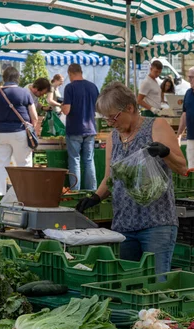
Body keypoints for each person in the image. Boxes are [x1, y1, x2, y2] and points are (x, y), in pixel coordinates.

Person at [75, 82, 187, 275]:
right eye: (107, 119)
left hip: (156, 223)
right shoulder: (113, 137)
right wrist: (95, 197)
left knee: (156, 282)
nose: (111, 123)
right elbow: (110, 177)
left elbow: (182, 168)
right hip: (123, 226)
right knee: (129, 281)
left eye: (113, 117)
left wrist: (165, 152)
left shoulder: (156, 126)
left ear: (130, 108)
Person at [0, 67, 37, 196]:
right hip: (19, 132)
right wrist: (33, 133)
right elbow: (34, 117)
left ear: (4, 78)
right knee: (23, 165)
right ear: (17, 78)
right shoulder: (25, 93)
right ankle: (24, 196)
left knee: (1, 167)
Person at [61, 63, 99, 190]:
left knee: (75, 160)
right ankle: (92, 191)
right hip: (90, 128)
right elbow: (98, 107)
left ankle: (75, 191)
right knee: (89, 160)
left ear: (70, 73)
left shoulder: (69, 88)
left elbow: (66, 110)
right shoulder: (93, 87)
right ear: (81, 72)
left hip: (75, 129)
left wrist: (61, 107)